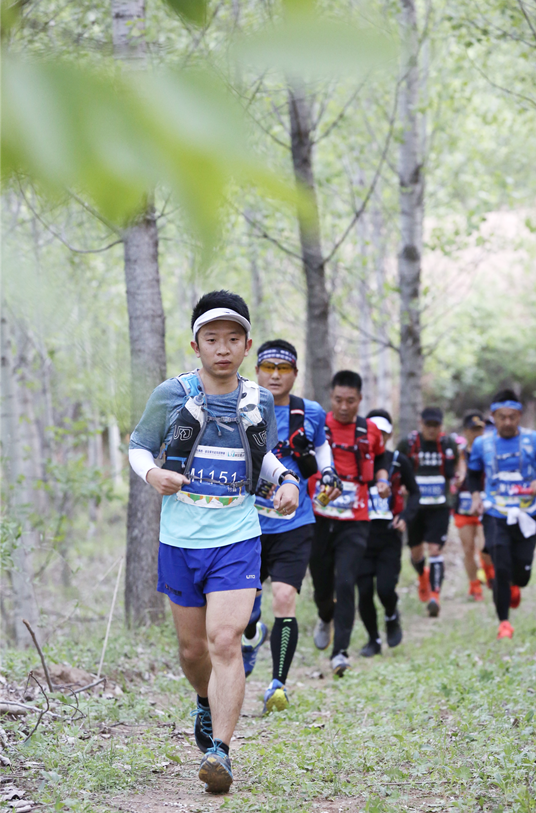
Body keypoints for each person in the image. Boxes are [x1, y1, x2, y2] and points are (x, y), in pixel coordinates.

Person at [128, 290, 300, 794]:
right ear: (195, 344)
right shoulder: (171, 394)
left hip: (238, 535)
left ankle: (220, 751)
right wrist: (154, 474)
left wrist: (286, 478)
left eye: (232, 339)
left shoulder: (258, 400)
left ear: (246, 345)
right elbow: (139, 446)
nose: (221, 348)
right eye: (211, 339)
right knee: (192, 649)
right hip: (180, 537)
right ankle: (205, 701)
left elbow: (263, 456)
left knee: (226, 641)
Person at [241, 340, 342, 712]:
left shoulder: (310, 412)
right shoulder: (242, 406)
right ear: (257, 370)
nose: (275, 375)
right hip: (245, 523)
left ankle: (277, 685)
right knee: (243, 609)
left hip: (294, 525)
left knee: (284, 600)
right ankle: (252, 636)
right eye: (268, 367)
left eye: (283, 369)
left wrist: (328, 471)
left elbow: (322, 446)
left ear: (295, 374)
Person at [308, 371, 390, 676]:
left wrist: (381, 480)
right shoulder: (318, 425)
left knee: (346, 582)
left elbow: (380, 459)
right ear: (331, 397)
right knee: (321, 582)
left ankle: (339, 652)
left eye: (351, 401)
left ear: (360, 400)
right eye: (339, 400)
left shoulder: (370, 430)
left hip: (356, 519)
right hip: (318, 516)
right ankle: (324, 615)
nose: (344, 406)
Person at [467, 389, 536, 639]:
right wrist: (477, 496)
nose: (508, 422)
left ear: (520, 415)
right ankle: (504, 624)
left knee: (521, 573)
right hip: (495, 512)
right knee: (500, 565)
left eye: (513, 417)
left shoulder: (534, 441)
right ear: (493, 417)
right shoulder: (482, 443)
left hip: (526, 512)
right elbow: (472, 474)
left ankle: (516, 584)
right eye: (502, 417)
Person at [357, 409, 420, 657]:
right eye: (374, 432)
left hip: (389, 535)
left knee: (385, 588)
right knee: (363, 592)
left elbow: (415, 492)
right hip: (360, 533)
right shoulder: (355, 459)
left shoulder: (398, 461)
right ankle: (373, 639)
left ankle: (392, 615)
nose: (378, 437)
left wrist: (405, 517)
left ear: (390, 434)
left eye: (383, 433)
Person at [397, 406, 459, 618]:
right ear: (421, 424)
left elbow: (458, 466)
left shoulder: (448, 444)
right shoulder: (409, 444)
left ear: (441, 426)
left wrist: (457, 480)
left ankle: (435, 596)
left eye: (436, 426)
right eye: (428, 425)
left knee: (435, 550)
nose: (432, 430)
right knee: (416, 553)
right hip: (415, 507)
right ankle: (422, 576)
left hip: (440, 507)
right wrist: (402, 486)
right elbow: (398, 468)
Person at [453, 411, 494, 600]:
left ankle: (490, 573)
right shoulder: (459, 453)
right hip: (463, 506)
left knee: (486, 547)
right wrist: (458, 478)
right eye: (473, 430)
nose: (477, 433)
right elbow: (456, 470)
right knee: (468, 548)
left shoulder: (491, 450)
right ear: (465, 431)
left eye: (480, 429)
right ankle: (474, 586)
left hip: (486, 505)